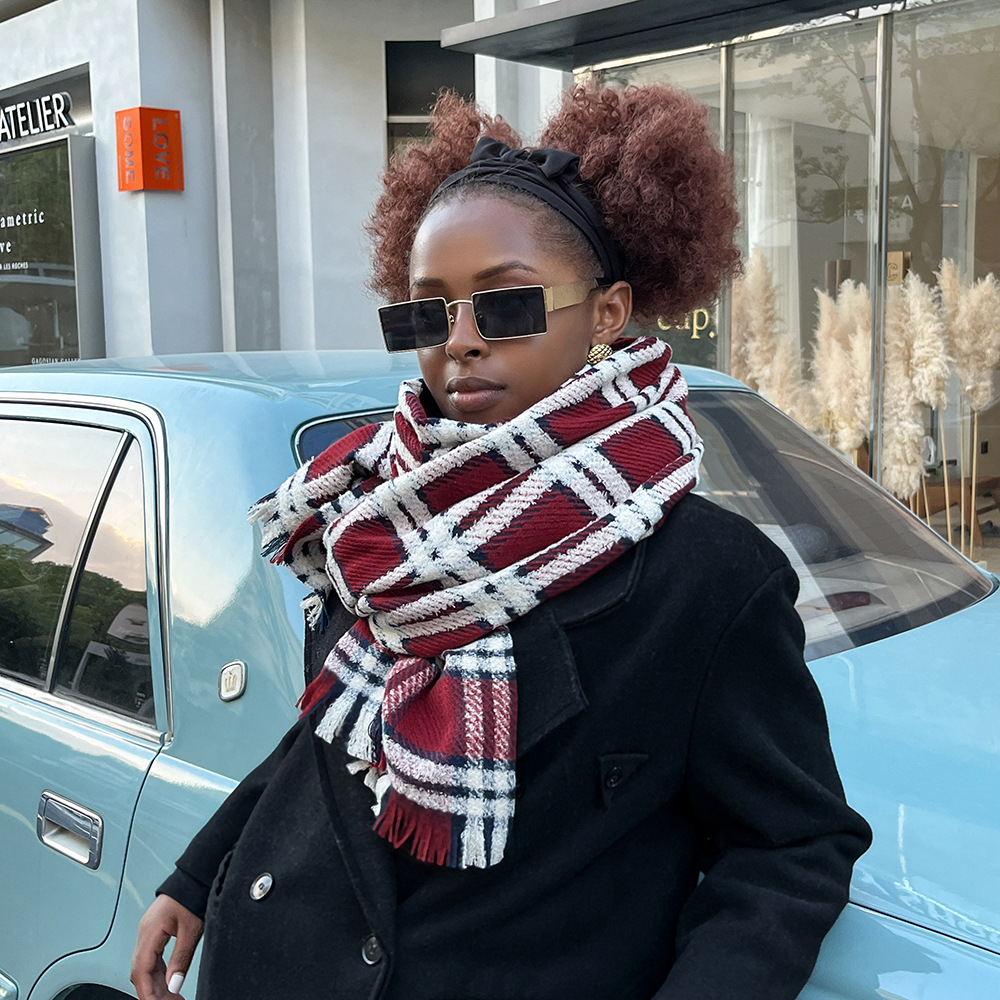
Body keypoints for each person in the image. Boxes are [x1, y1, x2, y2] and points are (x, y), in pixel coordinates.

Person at [131, 83, 871, 1000]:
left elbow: (792, 844)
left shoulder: (708, 577)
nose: (461, 342)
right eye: (426, 313)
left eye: (507, 305)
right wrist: (200, 871)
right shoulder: (369, 513)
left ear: (607, 313)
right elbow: (336, 734)